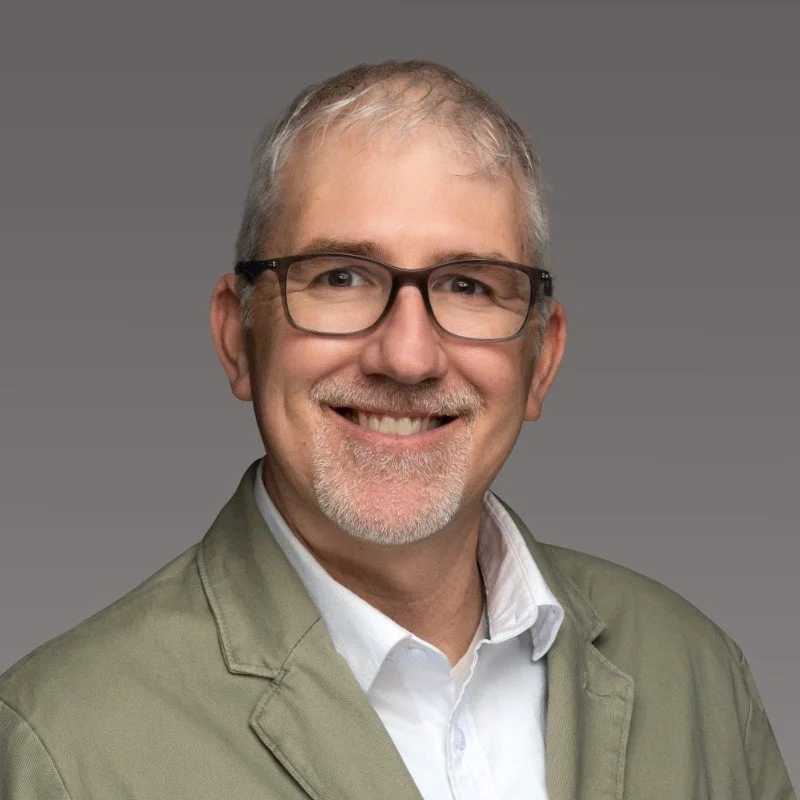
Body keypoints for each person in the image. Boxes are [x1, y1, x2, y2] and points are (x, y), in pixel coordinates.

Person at [0, 60, 794, 800]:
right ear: (238, 338)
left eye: (469, 284)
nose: (408, 356)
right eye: (341, 276)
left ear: (541, 362)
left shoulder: (697, 677)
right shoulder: (61, 747)